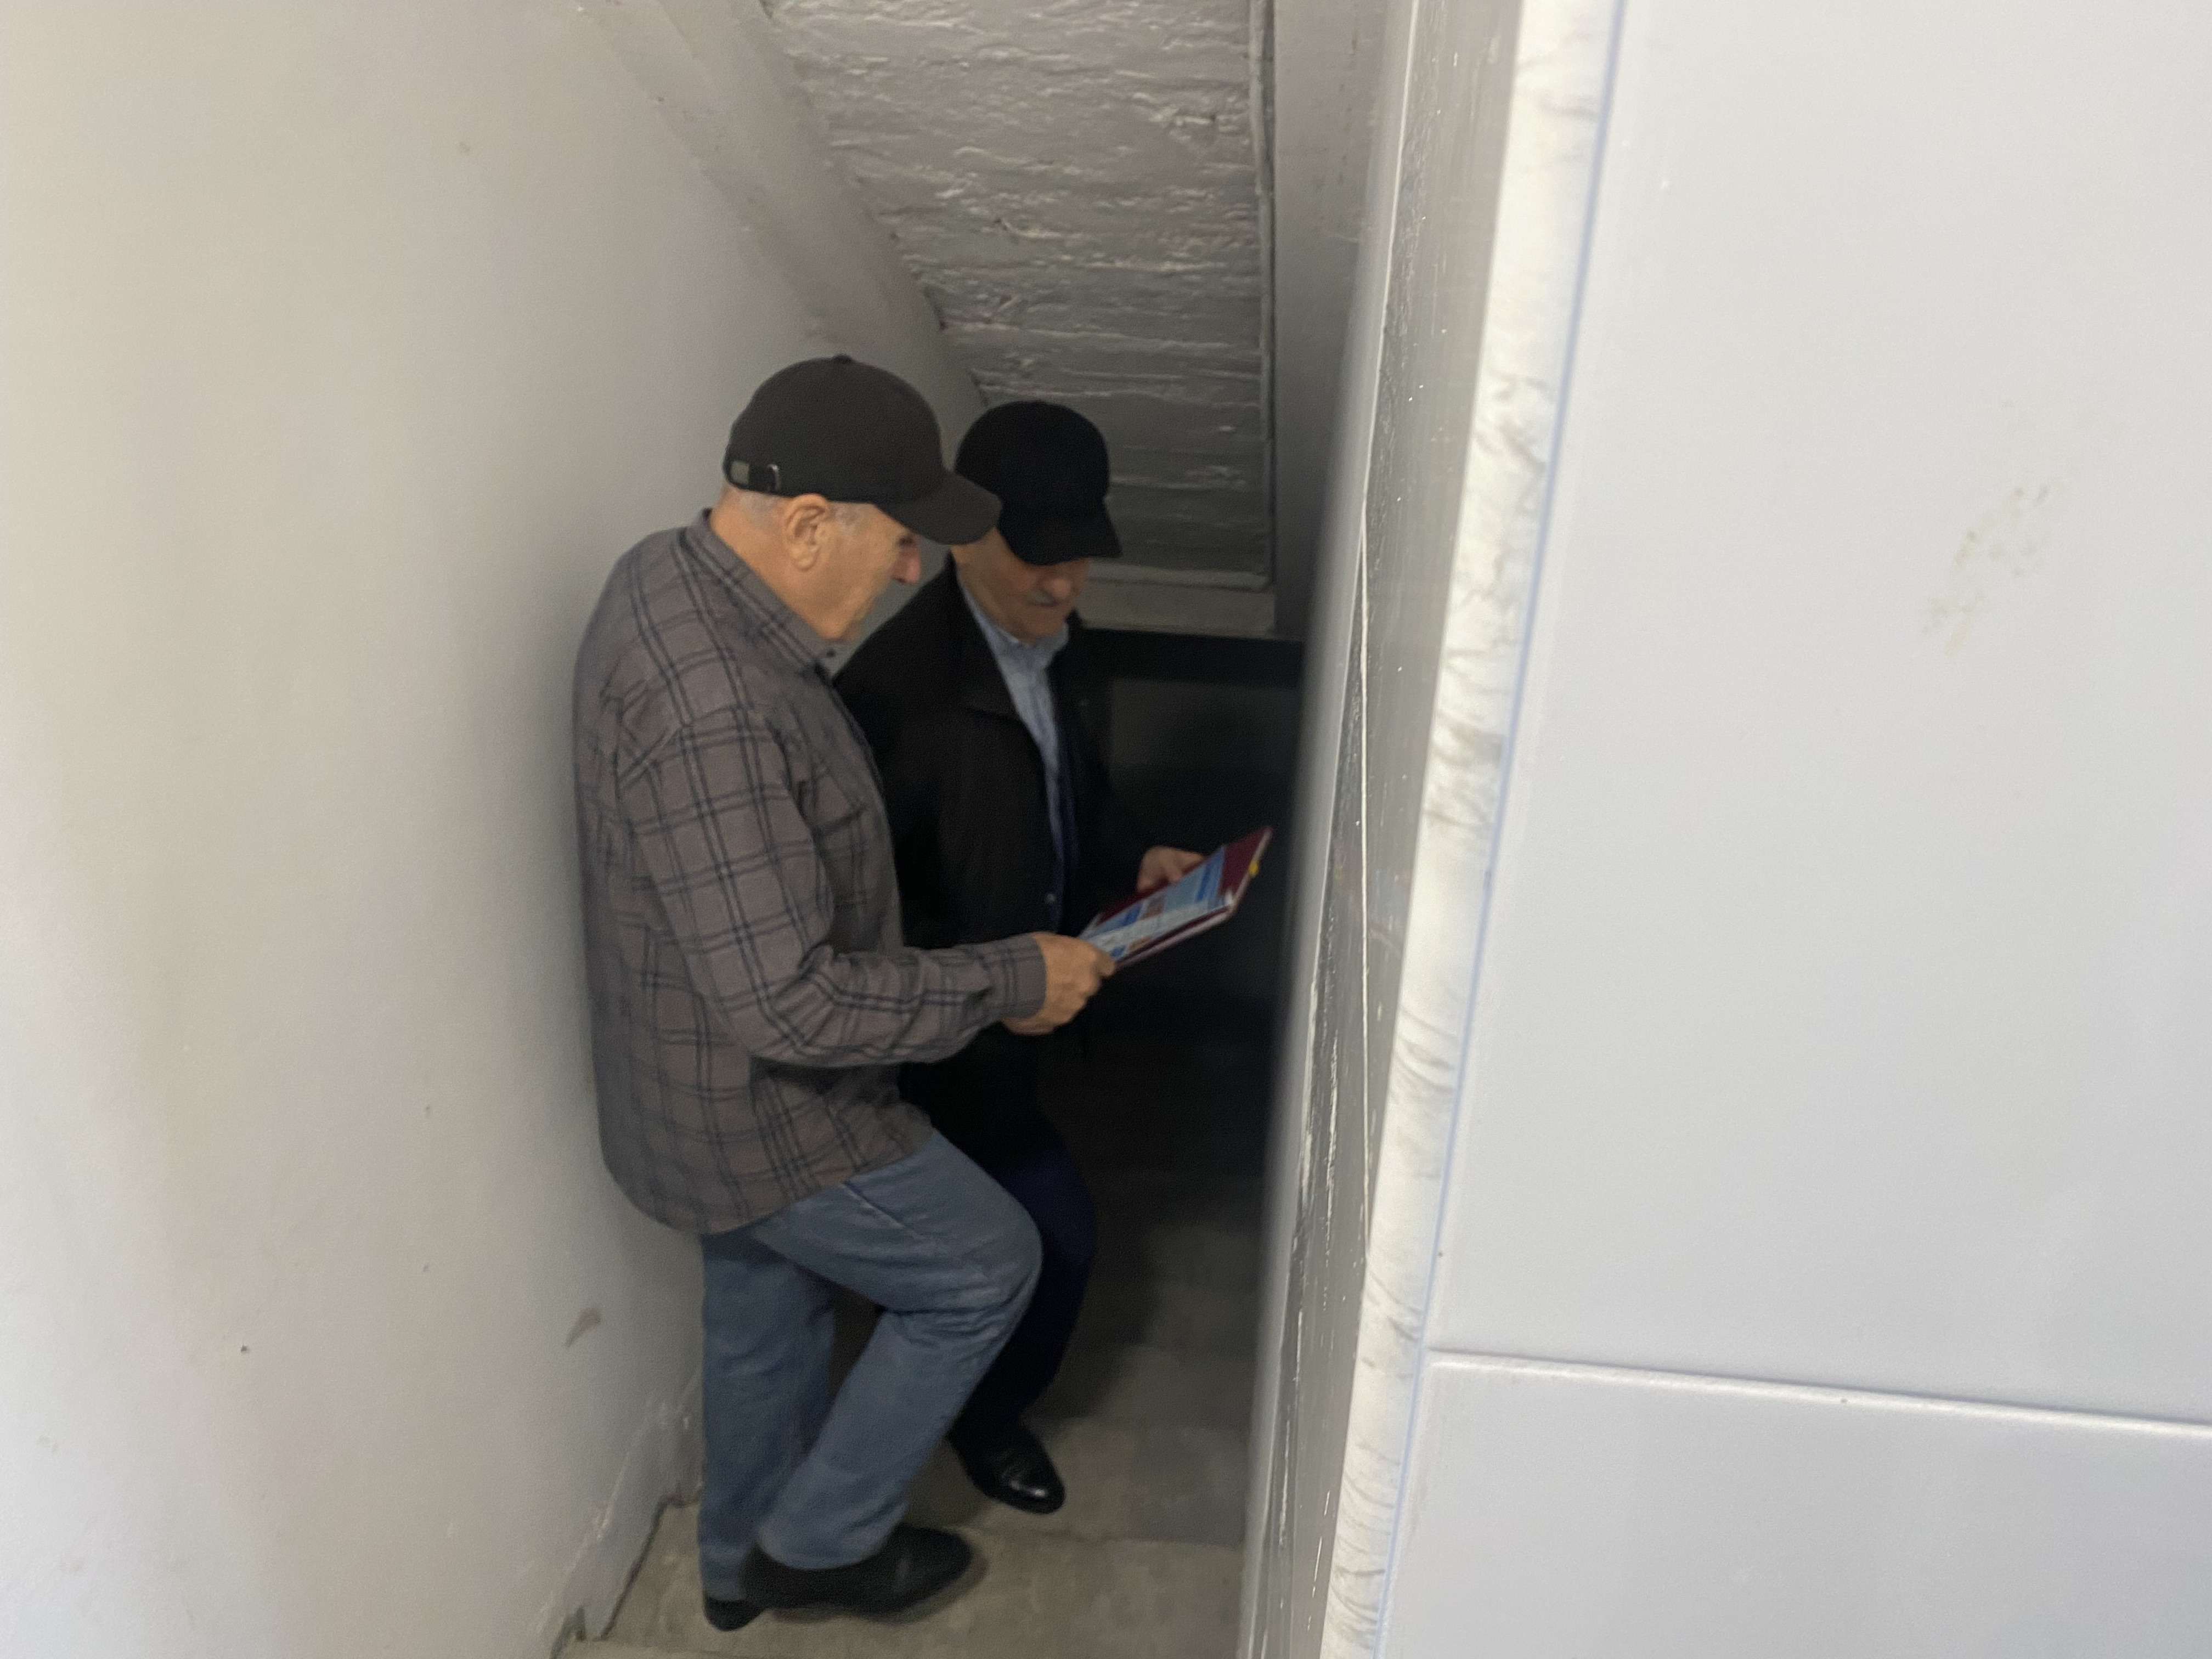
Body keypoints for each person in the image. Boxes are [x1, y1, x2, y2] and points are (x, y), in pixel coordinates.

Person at [572, 358, 1116, 1630]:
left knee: (765, 1310)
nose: (914, 570)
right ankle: (818, 1549)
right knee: (988, 1264)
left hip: (677, 1085)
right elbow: (788, 1007)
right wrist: (1010, 976)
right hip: (766, 1110)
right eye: (898, 540)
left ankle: (731, 1568)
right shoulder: (718, 706)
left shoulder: (667, 577)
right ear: (810, 523)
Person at [835, 400, 1203, 1516]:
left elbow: (1070, 793)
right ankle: (982, 1423)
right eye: (1039, 555)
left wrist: (1134, 853)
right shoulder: (891, 704)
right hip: (933, 1057)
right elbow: (857, 928)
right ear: (964, 536)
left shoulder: (1055, 650)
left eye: (1080, 553)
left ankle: (972, 1397)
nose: (1063, 582)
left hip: (1019, 1027)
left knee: (1036, 1240)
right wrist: (1001, 989)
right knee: (1056, 1241)